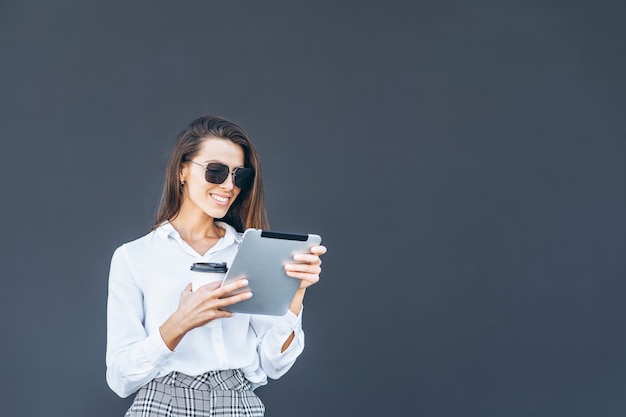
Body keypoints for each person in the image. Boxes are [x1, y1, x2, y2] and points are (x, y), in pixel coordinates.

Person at [106, 115, 327, 417]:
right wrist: (179, 322)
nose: (228, 185)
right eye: (216, 171)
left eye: (239, 176)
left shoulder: (250, 253)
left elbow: (273, 364)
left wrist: (295, 296)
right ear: (182, 171)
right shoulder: (135, 257)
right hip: (162, 404)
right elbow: (120, 379)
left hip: (237, 403)